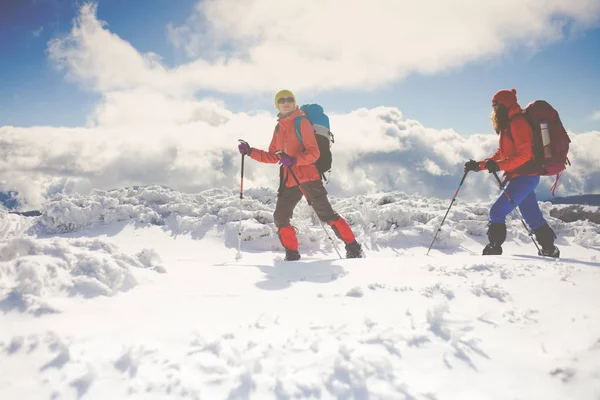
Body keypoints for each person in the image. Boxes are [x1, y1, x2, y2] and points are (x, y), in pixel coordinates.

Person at [238, 89, 364, 261]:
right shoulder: (278, 127)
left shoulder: (302, 122)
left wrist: (294, 160)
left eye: (289, 99)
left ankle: (354, 248)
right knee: (280, 217)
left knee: (326, 215)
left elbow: (314, 153)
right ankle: (291, 254)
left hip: (308, 177)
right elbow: (273, 156)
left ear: (294, 102)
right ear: (277, 105)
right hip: (289, 179)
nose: (286, 102)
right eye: (281, 100)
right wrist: (250, 151)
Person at [464, 88, 560, 258]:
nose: (494, 108)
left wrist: (499, 165)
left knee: (497, 212)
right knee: (532, 215)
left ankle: (494, 248)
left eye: (496, 104)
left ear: (505, 105)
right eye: (493, 105)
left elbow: (525, 154)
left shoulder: (518, 123)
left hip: (526, 176)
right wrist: (479, 165)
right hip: (522, 176)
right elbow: (500, 155)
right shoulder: (508, 125)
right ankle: (549, 249)